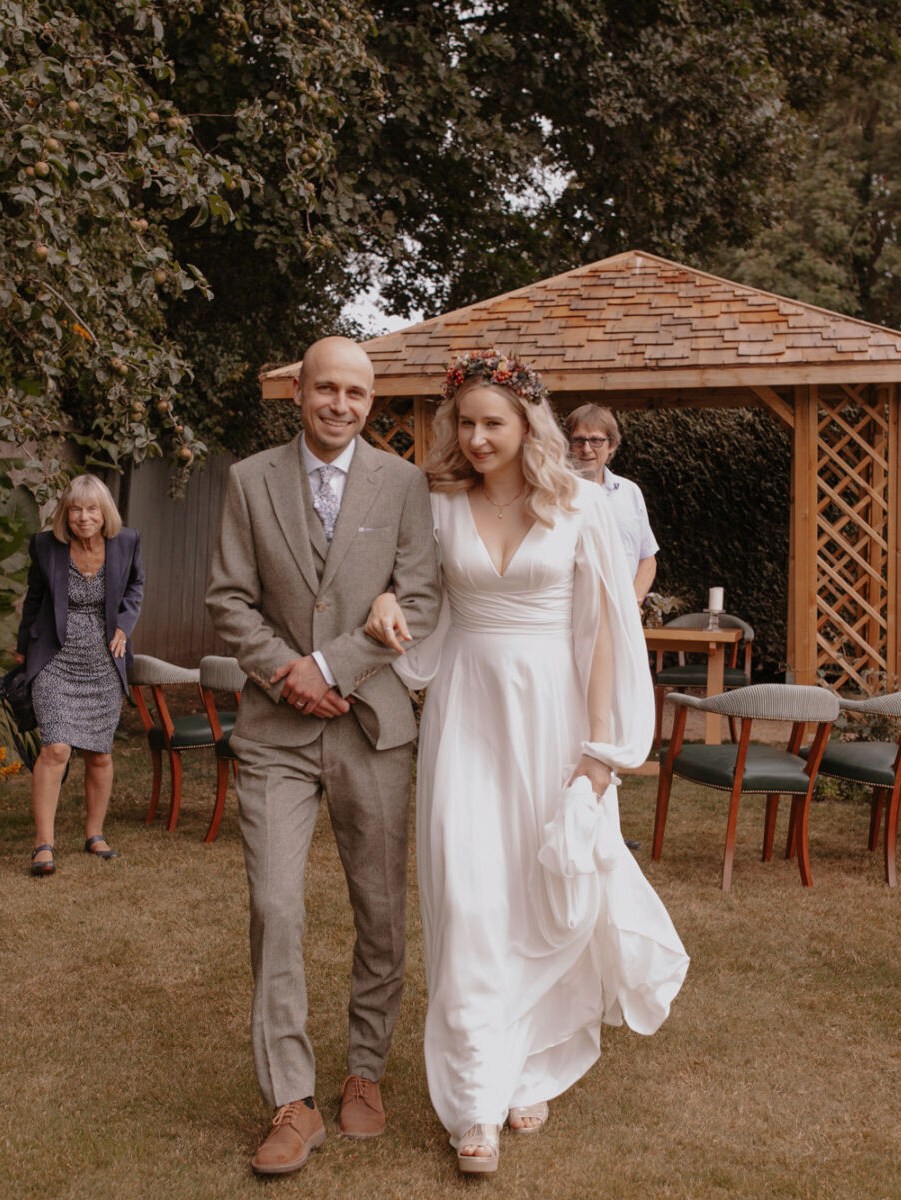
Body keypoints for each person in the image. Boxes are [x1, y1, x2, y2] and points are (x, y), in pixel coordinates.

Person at [366, 349, 688, 1174]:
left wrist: (601, 755)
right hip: (466, 714)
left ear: (526, 425)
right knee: (469, 896)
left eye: (492, 423)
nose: (476, 438)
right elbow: (405, 589)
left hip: (553, 719)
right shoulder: (435, 507)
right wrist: (384, 603)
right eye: (465, 423)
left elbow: (608, 634)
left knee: (543, 896)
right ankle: (474, 1103)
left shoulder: (581, 506)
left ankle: (531, 1063)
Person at [204, 336, 441, 1176]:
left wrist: (333, 667)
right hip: (274, 735)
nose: (341, 404)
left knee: (379, 910)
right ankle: (292, 1100)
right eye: (326, 389)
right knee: (276, 907)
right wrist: (285, 675)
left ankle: (366, 1070)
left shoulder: (405, 484)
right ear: (297, 393)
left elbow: (418, 597)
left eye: (357, 393)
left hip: (373, 729)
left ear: (371, 402)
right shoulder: (248, 480)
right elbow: (227, 600)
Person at [14, 474, 144, 876]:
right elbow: (34, 598)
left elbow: (135, 587)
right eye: (75, 509)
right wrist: (23, 650)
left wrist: (125, 624)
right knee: (55, 749)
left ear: (104, 513)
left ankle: (94, 833)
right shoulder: (45, 546)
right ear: (65, 513)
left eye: (91, 509)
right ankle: (43, 844)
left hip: (104, 660)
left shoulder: (127, 542)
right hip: (56, 656)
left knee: (99, 754)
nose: (83, 518)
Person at [565, 403, 659, 602]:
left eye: (596, 440)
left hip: (623, 614)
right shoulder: (553, 495)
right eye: (579, 440)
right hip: (570, 617)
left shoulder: (630, 492)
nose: (587, 449)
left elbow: (647, 558)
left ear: (612, 444)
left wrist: (633, 602)